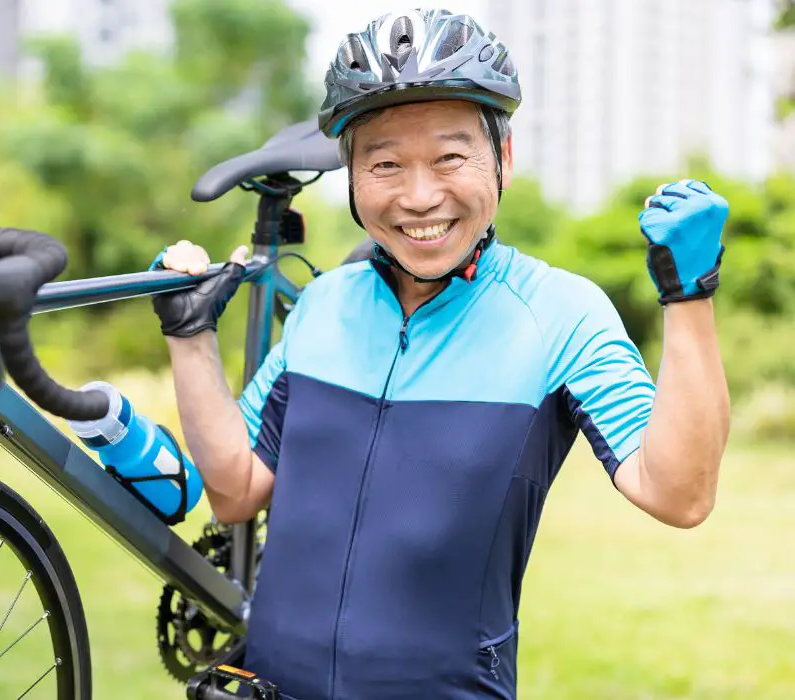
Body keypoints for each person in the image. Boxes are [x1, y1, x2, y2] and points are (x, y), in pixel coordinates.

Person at [149, 8, 731, 700]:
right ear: (352, 175)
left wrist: (689, 296)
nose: (420, 197)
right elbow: (237, 489)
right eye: (386, 164)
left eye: (451, 158)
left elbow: (680, 494)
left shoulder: (560, 315)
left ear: (503, 159)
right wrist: (191, 337)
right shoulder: (324, 305)